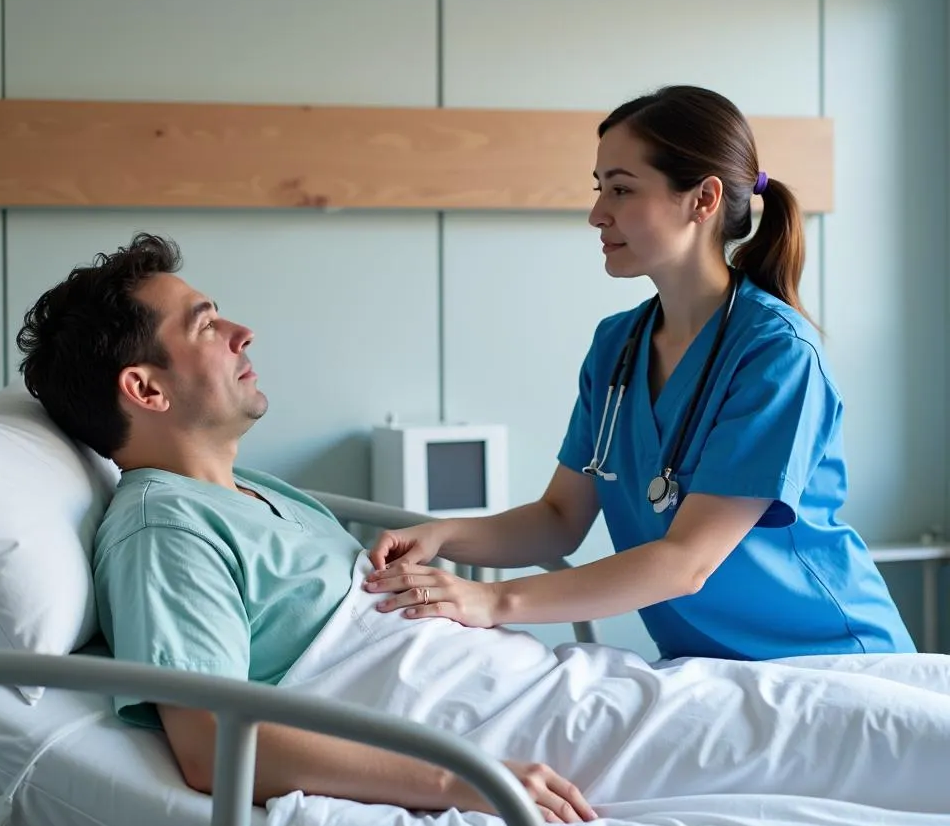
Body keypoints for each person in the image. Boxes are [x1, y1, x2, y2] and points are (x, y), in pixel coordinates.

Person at [15, 232, 950, 825]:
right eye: (209, 324)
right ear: (145, 388)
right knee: (864, 737)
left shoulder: (261, 493)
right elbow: (213, 745)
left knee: (884, 715)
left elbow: (579, 533)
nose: (243, 332)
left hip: (568, 683)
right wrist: (462, 781)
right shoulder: (162, 524)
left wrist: (448, 547)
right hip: (516, 724)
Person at [364, 85, 916, 664]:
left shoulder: (776, 353)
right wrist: (444, 535)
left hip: (831, 661)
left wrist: (492, 601)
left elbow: (687, 561)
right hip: (711, 669)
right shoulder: (617, 347)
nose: (597, 213)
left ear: (703, 199)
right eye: (600, 189)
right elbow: (559, 519)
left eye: (622, 190)